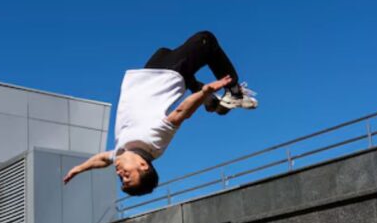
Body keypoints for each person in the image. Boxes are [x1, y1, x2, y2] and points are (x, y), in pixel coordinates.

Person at [63, 31, 257, 196]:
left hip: (145, 78)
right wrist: (204, 92)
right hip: (166, 76)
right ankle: (234, 93)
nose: (120, 174)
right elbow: (180, 114)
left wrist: (79, 169)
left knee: (164, 51)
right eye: (127, 176)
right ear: (143, 166)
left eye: (121, 179)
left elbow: (102, 159)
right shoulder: (153, 143)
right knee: (205, 40)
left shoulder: (122, 152)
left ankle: (211, 102)